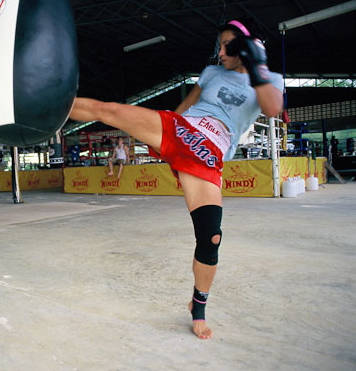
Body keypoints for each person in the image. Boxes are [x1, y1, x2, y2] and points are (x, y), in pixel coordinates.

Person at [69, 19, 283, 339]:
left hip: (209, 154)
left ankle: (198, 306)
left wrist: (258, 65)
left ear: (247, 48)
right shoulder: (211, 74)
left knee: (210, 239)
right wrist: (160, 140)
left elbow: (272, 108)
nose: (220, 52)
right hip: (180, 131)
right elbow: (182, 109)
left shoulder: (270, 80)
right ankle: (44, 105)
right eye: (219, 45)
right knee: (109, 110)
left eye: (228, 46)